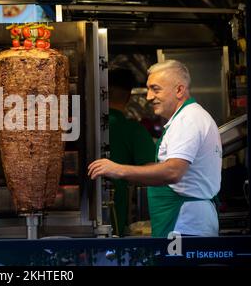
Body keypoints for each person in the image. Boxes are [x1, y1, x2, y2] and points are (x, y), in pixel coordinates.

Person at [89, 60, 221, 237]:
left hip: (185, 225)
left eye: (155, 89)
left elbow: (173, 171)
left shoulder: (187, 120)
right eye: (149, 89)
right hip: (182, 223)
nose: (149, 96)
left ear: (179, 90)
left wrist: (118, 169)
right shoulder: (185, 118)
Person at [107, 68, 155, 236]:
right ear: (128, 97)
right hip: (116, 217)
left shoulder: (82, 127)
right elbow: (152, 173)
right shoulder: (134, 130)